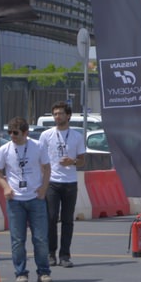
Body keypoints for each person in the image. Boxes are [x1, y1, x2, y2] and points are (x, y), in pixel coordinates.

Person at [0, 117, 53, 282]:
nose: (12, 136)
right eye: (10, 132)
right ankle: (21, 272)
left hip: (35, 198)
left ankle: (43, 272)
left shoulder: (38, 146)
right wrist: (5, 186)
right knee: (18, 239)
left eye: (16, 133)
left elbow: (47, 168)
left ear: (26, 133)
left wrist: (44, 188)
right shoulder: (4, 149)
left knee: (40, 238)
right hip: (15, 200)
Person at [39, 101, 86, 267]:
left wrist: (72, 161)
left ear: (68, 116)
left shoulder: (77, 136)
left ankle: (65, 255)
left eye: (60, 113)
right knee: (51, 219)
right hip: (52, 182)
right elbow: (40, 159)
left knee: (67, 220)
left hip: (70, 183)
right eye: (55, 114)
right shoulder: (46, 135)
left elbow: (82, 161)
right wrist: (42, 179)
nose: (57, 117)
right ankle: (51, 253)